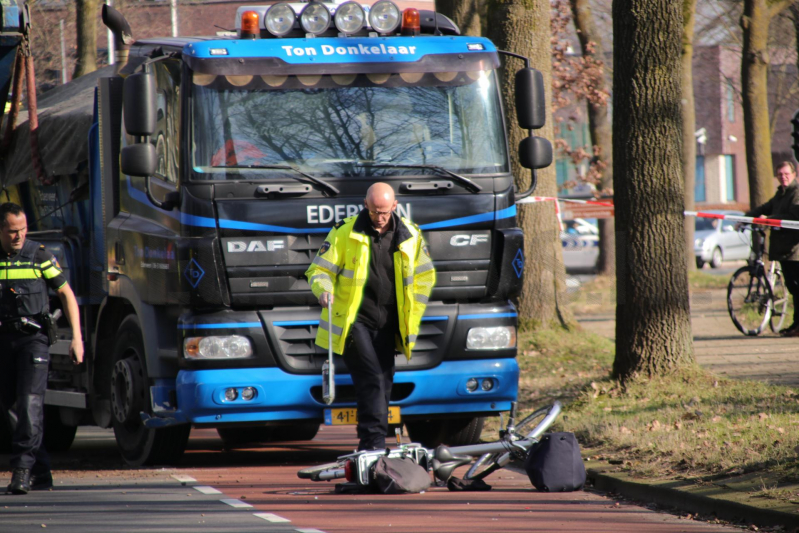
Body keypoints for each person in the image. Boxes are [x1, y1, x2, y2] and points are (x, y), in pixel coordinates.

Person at [305, 183, 435, 451]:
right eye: (375, 211)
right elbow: (318, 271)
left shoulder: (410, 234)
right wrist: (324, 290)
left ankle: (372, 444)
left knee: (384, 384)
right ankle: (373, 444)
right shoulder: (345, 232)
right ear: (366, 205)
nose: (380, 217)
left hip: (389, 322)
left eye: (385, 212)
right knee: (372, 379)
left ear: (395, 206)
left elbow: (425, 276)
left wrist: (413, 312)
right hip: (354, 322)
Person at [0, 202, 83, 495]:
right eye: (12, 231)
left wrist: (77, 338)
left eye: (22, 230)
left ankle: (21, 470)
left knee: (29, 403)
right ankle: (42, 470)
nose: (19, 236)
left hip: (33, 340)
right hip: (3, 340)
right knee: (9, 406)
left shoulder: (39, 256)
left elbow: (66, 294)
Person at [746, 161, 799, 336]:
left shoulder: (796, 193)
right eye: (780, 175)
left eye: (786, 174)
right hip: (783, 249)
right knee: (793, 288)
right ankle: (795, 325)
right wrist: (746, 218)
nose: (783, 177)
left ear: (794, 174)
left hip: (795, 250)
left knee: (797, 288)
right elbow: (765, 208)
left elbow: (793, 216)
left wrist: (769, 218)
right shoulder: (780, 194)